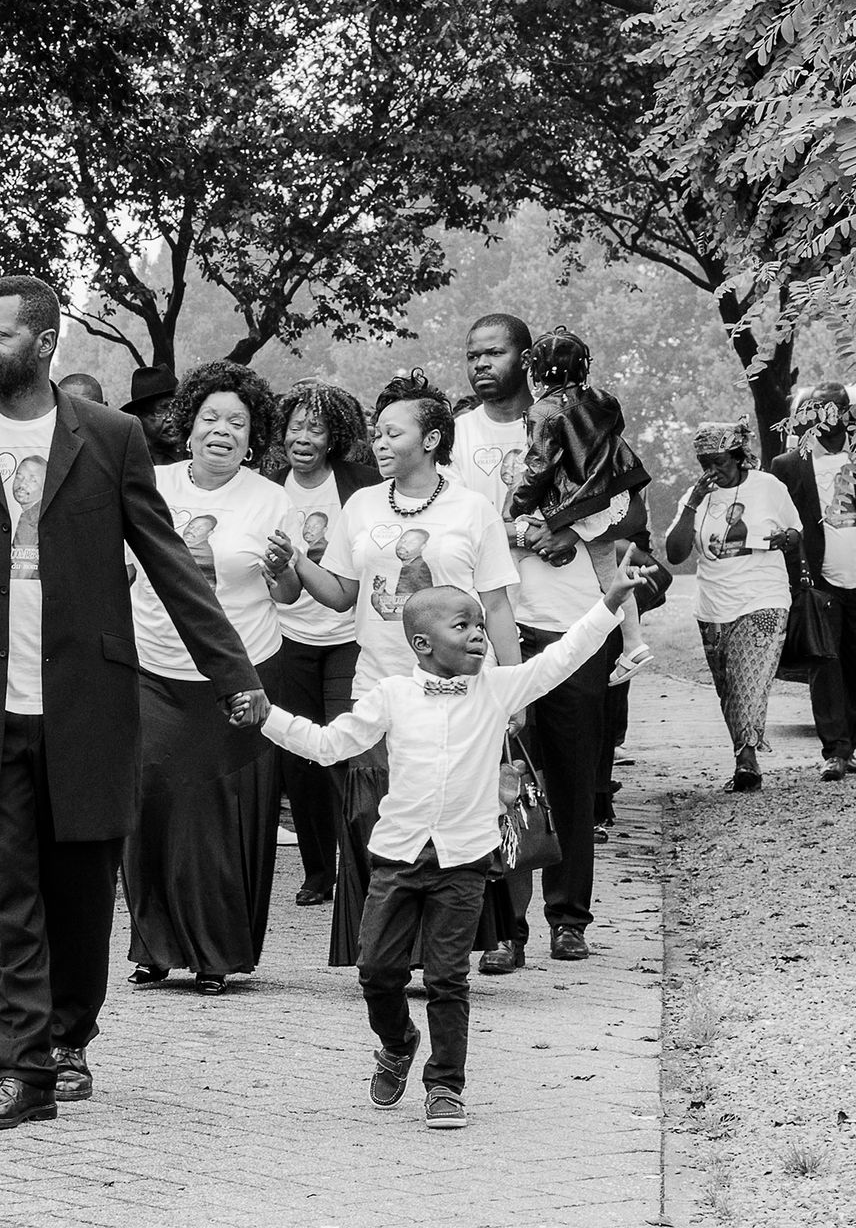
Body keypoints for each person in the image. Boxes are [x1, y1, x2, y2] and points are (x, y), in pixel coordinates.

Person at [0, 275, 264, 1131]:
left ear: (44, 343)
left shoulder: (110, 436)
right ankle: (22, 1071)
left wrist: (234, 677)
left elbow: (170, 565)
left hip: (88, 706)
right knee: (4, 894)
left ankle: (69, 1035)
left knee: (83, 895)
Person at [245, 552, 648, 1130]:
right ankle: (398, 1040)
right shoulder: (392, 695)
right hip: (397, 859)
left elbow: (562, 657)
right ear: (423, 644)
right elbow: (328, 744)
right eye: (463, 626)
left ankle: (447, 1085)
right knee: (378, 973)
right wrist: (268, 717)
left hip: (463, 861)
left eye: (481, 624)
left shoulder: (498, 690)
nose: (480, 635)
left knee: (446, 978)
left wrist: (608, 604)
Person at [279, 371, 520, 967]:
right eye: (376, 435)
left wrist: (512, 695)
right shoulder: (361, 505)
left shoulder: (472, 510)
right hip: (379, 685)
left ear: (432, 440)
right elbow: (340, 594)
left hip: (457, 689)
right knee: (374, 815)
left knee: (447, 814)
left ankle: (446, 948)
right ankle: (385, 948)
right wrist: (294, 562)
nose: (379, 444)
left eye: (393, 433)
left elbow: (495, 607)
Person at [121, 362, 302, 996]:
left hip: (240, 672)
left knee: (218, 817)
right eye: (210, 419)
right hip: (154, 668)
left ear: (253, 440)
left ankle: (216, 953)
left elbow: (283, 591)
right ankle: (154, 947)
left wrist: (285, 570)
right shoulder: (151, 483)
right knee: (151, 808)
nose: (222, 432)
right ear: (187, 427)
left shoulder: (269, 497)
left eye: (238, 423)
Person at [453, 313, 624, 970]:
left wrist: (574, 533)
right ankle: (507, 930)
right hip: (493, 627)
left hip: (570, 620)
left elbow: (630, 504)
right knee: (501, 777)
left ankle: (569, 916)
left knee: (574, 776)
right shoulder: (458, 434)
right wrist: (524, 535)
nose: (480, 364)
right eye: (472, 354)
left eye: (494, 352)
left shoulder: (583, 417)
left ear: (526, 360)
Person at [266, 381, 377, 907]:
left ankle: (362, 865)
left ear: (335, 437)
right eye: (295, 426)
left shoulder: (360, 485)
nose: (303, 437)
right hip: (286, 637)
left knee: (344, 751)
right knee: (297, 757)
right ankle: (317, 871)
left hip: (348, 636)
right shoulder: (266, 487)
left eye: (316, 427)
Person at [505, 328, 654, 685]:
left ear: (537, 371)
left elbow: (541, 465)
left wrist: (518, 505)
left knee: (513, 556)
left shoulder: (542, 412)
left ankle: (504, 637)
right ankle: (633, 643)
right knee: (609, 574)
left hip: (578, 500)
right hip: (611, 494)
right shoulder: (604, 400)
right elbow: (612, 433)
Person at [666, 418, 801, 792]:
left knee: (750, 677)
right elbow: (676, 555)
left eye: (720, 461)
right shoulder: (695, 498)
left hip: (764, 598)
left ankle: (747, 759)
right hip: (713, 606)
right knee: (730, 687)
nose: (712, 471)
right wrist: (692, 503)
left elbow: (795, 532)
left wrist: (784, 539)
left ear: (740, 457)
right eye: (704, 462)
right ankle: (744, 753)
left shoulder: (768, 487)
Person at [769, 384, 856, 781]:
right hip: (819, 582)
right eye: (809, 410)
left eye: (826, 409)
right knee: (825, 663)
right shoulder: (788, 464)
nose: (817, 417)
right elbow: (782, 522)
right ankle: (836, 750)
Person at [120, 364, 184, 465]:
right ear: (139, 416)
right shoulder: (126, 461)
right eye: (163, 409)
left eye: (177, 407)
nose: (172, 417)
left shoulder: (196, 458)